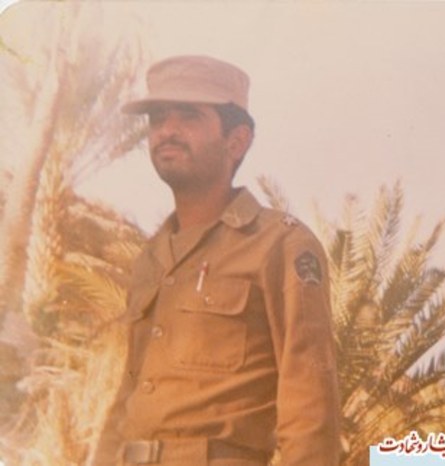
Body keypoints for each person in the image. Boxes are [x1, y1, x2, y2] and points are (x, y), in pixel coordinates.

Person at [93, 55, 341, 466]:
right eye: (158, 118)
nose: (167, 131)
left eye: (188, 116)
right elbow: (128, 395)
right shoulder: (151, 258)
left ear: (236, 141)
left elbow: (310, 402)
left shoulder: (279, 244)